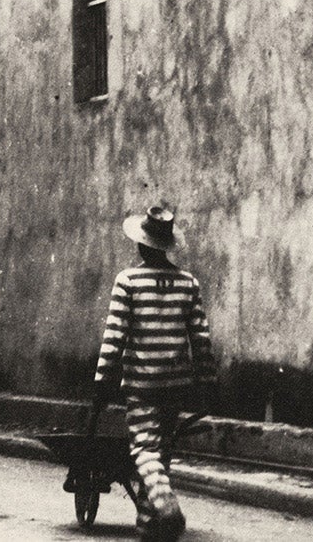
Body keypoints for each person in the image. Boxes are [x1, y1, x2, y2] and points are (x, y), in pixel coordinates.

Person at [91, 207, 217, 542]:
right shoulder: (188, 283)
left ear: (141, 245)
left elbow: (115, 335)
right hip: (177, 383)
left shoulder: (128, 281)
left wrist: (102, 380)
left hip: (142, 383)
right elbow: (200, 338)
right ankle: (149, 523)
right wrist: (208, 381)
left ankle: (164, 503)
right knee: (162, 450)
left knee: (144, 449)